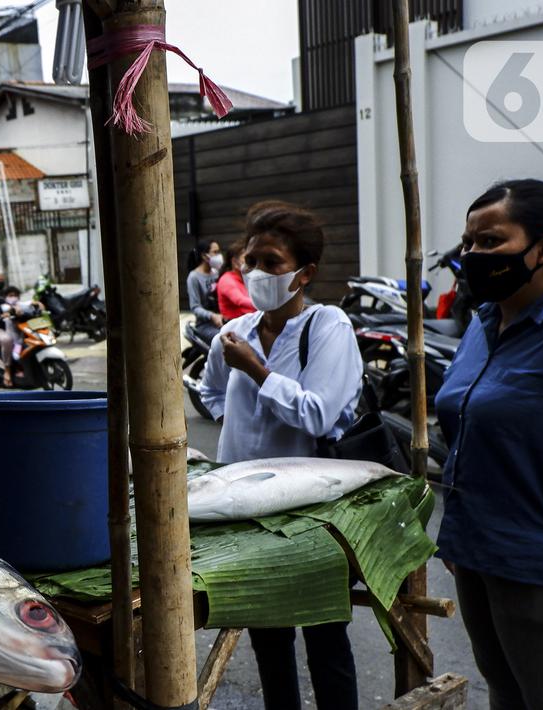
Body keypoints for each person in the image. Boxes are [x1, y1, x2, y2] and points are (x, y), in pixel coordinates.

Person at [199, 201, 363, 710]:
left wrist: (258, 373)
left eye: (271, 263)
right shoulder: (236, 335)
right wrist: (241, 433)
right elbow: (207, 394)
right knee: (269, 638)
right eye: (250, 261)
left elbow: (318, 415)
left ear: (304, 273)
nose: (255, 273)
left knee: (324, 636)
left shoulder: (326, 326)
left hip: (310, 514)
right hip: (244, 510)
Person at [435, 179, 543, 710]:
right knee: (505, 694)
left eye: (491, 242)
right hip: (475, 554)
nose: (474, 255)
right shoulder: (484, 322)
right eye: (470, 243)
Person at [185, 238, 223, 343]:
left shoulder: (217, 272)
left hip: (223, 320)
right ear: (204, 256)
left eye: (219, 251)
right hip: (205, 325)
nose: (219, 255)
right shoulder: (194, 277)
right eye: (215, 252)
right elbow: (195, 307)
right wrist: (212, 316)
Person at [217, 238, 256, 321]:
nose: (250, 262)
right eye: (246, 258)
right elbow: (240, 300)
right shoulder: (226, 280)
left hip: (248, 320)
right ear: (234, 262)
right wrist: (264, 305)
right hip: (233, 326)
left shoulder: (246, 277)